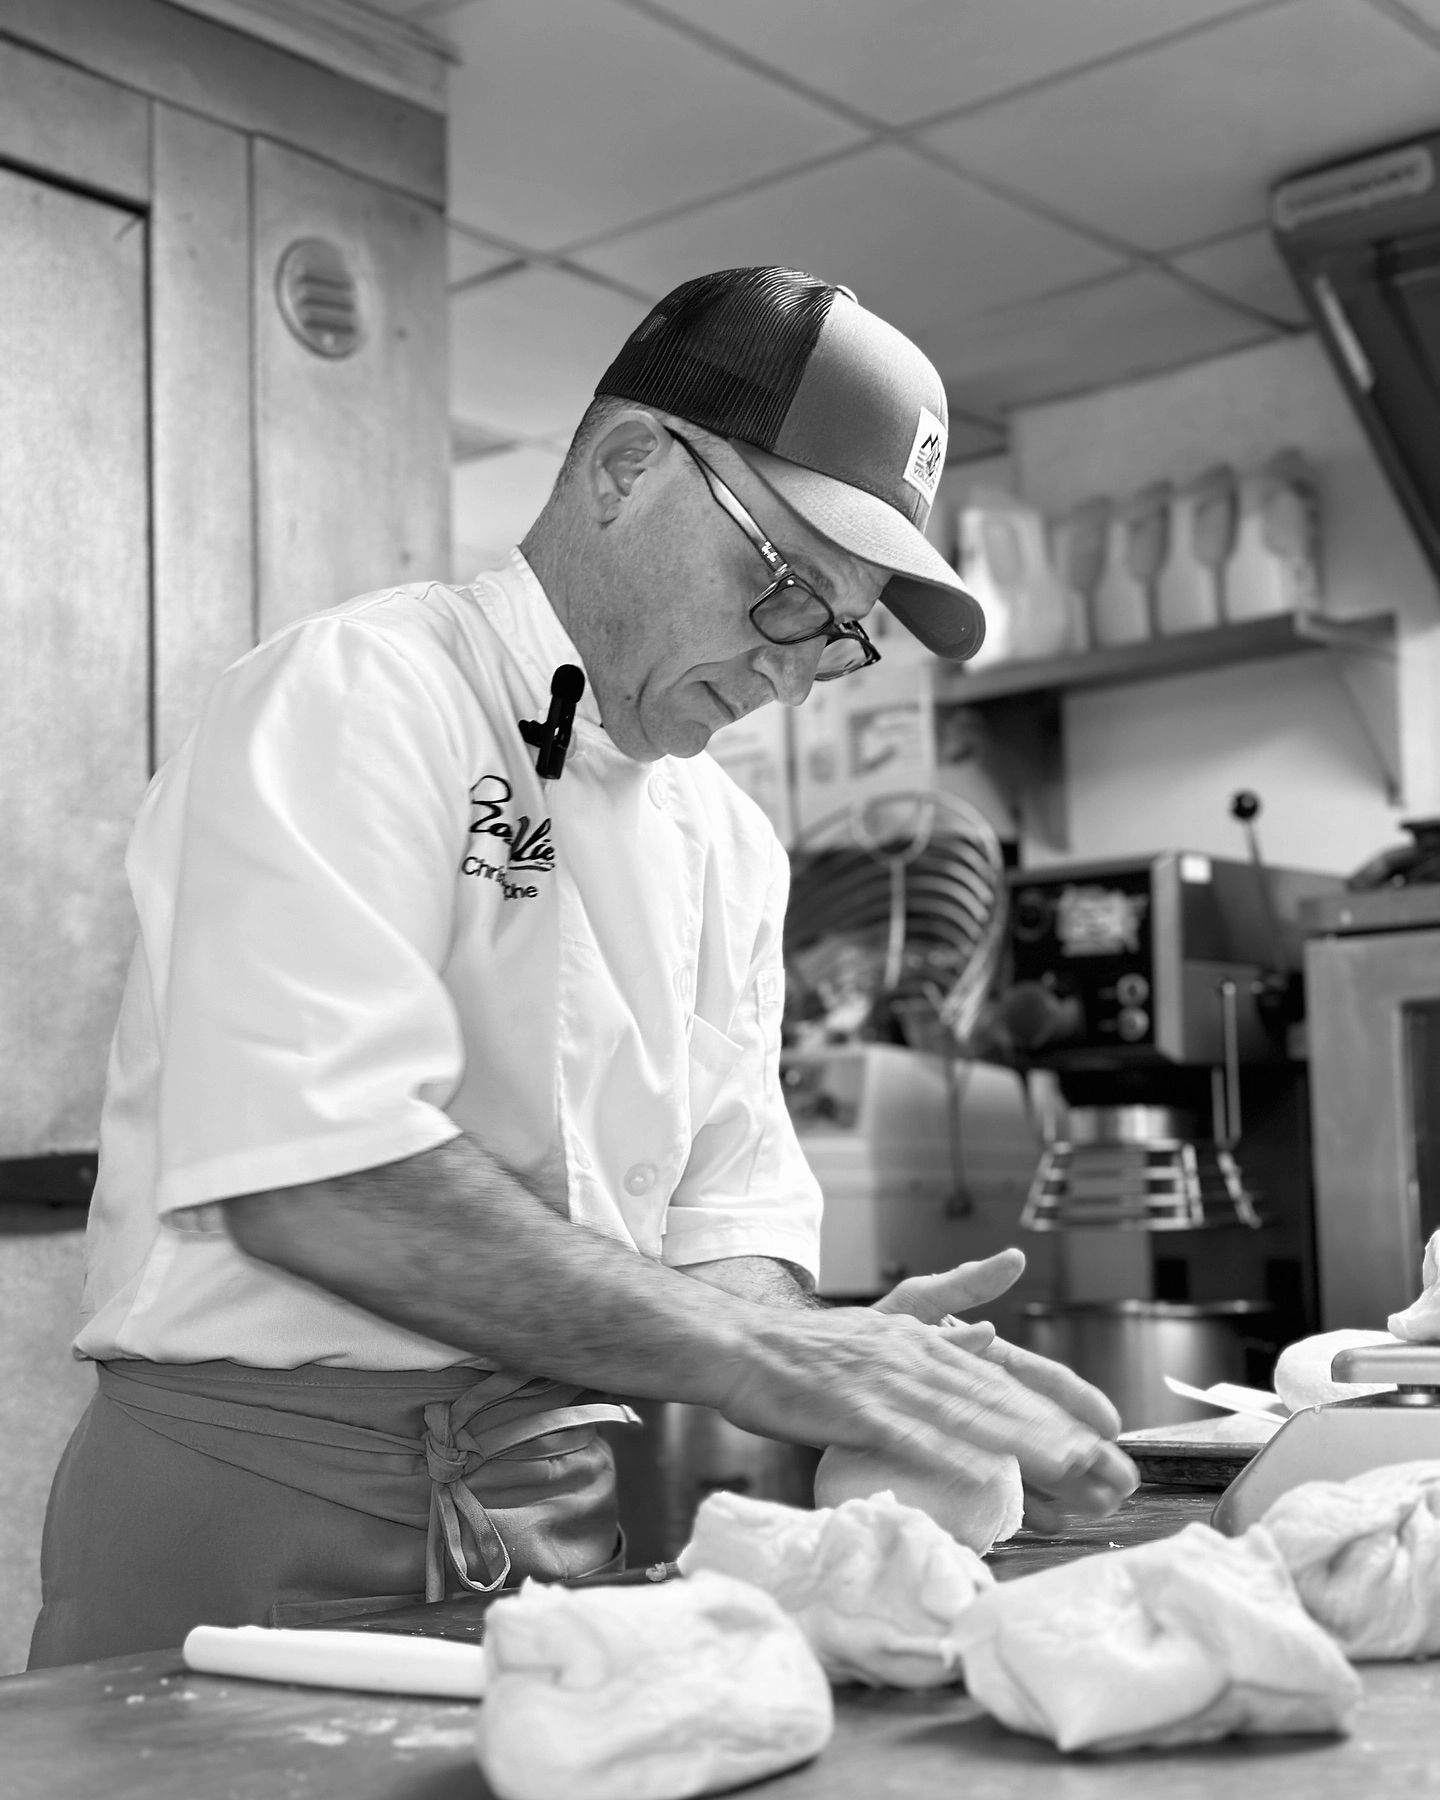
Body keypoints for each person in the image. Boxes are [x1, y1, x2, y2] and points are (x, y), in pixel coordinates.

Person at [29, 267, 1135, 1668]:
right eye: (789, 589)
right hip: (247, 1524)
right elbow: (317, 1181)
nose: (792, 678)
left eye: (842, 637)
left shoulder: (727, 840)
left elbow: (723, 1227)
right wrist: (784, 1361)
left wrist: (858, 1369)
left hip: (552, 1543)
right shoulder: (361, 694)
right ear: (624, 469)